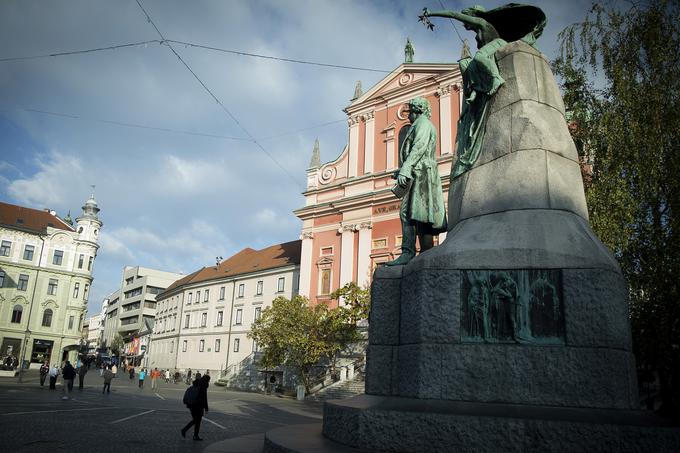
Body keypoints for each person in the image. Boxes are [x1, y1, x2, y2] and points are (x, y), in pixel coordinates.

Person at [385, 97, 447, 266]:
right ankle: (425, 252)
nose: (408, 115)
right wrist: (402, 170)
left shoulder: (422, 124)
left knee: (408, 214)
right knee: (420, 215)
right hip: (421, 171)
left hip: (420, 173)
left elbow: (418, 147)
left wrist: (406, 168)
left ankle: (408, 252)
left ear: (418, 110)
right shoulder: (422, 125)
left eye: (410, 111)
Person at [181, 375, 210, 441]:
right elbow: (204, 398)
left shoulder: (197, 383)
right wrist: (206, 408)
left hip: (191, 405)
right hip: (198, 406)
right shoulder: (203, 385)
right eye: (208, 380)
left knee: (196, 420)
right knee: (197, 421)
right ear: (207, 380)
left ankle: (194, 435)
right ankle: (186, 431)